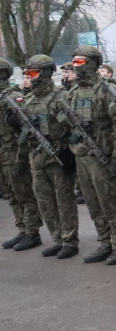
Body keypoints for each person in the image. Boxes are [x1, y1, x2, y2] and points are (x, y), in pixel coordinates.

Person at [68, 46, 116, 265]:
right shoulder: (74, 91)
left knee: (109, 203)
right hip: (82, 156)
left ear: (93, 63)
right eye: (74, 61)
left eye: (81, 61)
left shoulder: (107, 90)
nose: (76, 65)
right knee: (93, 204)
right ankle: (105, 242)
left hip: (101, 156)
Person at [21, 55, 79, 258]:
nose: (29, 77)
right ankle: (57, 239)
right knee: (44, 201)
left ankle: (70, 241)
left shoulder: (60, 96)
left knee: (64, 200)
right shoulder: (29, 99)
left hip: (57, 156)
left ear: (45, 73)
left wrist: (69, 151)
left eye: (33, 73)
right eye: (27, 73)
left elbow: (75, 127)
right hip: (37, 156)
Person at [0, 58, 43, 251]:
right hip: (2, 152)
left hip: (14, 152)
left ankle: (32, 232)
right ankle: (22, 228)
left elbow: (26, 125)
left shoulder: (13, 95)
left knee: (23, 193)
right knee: (10, 194)